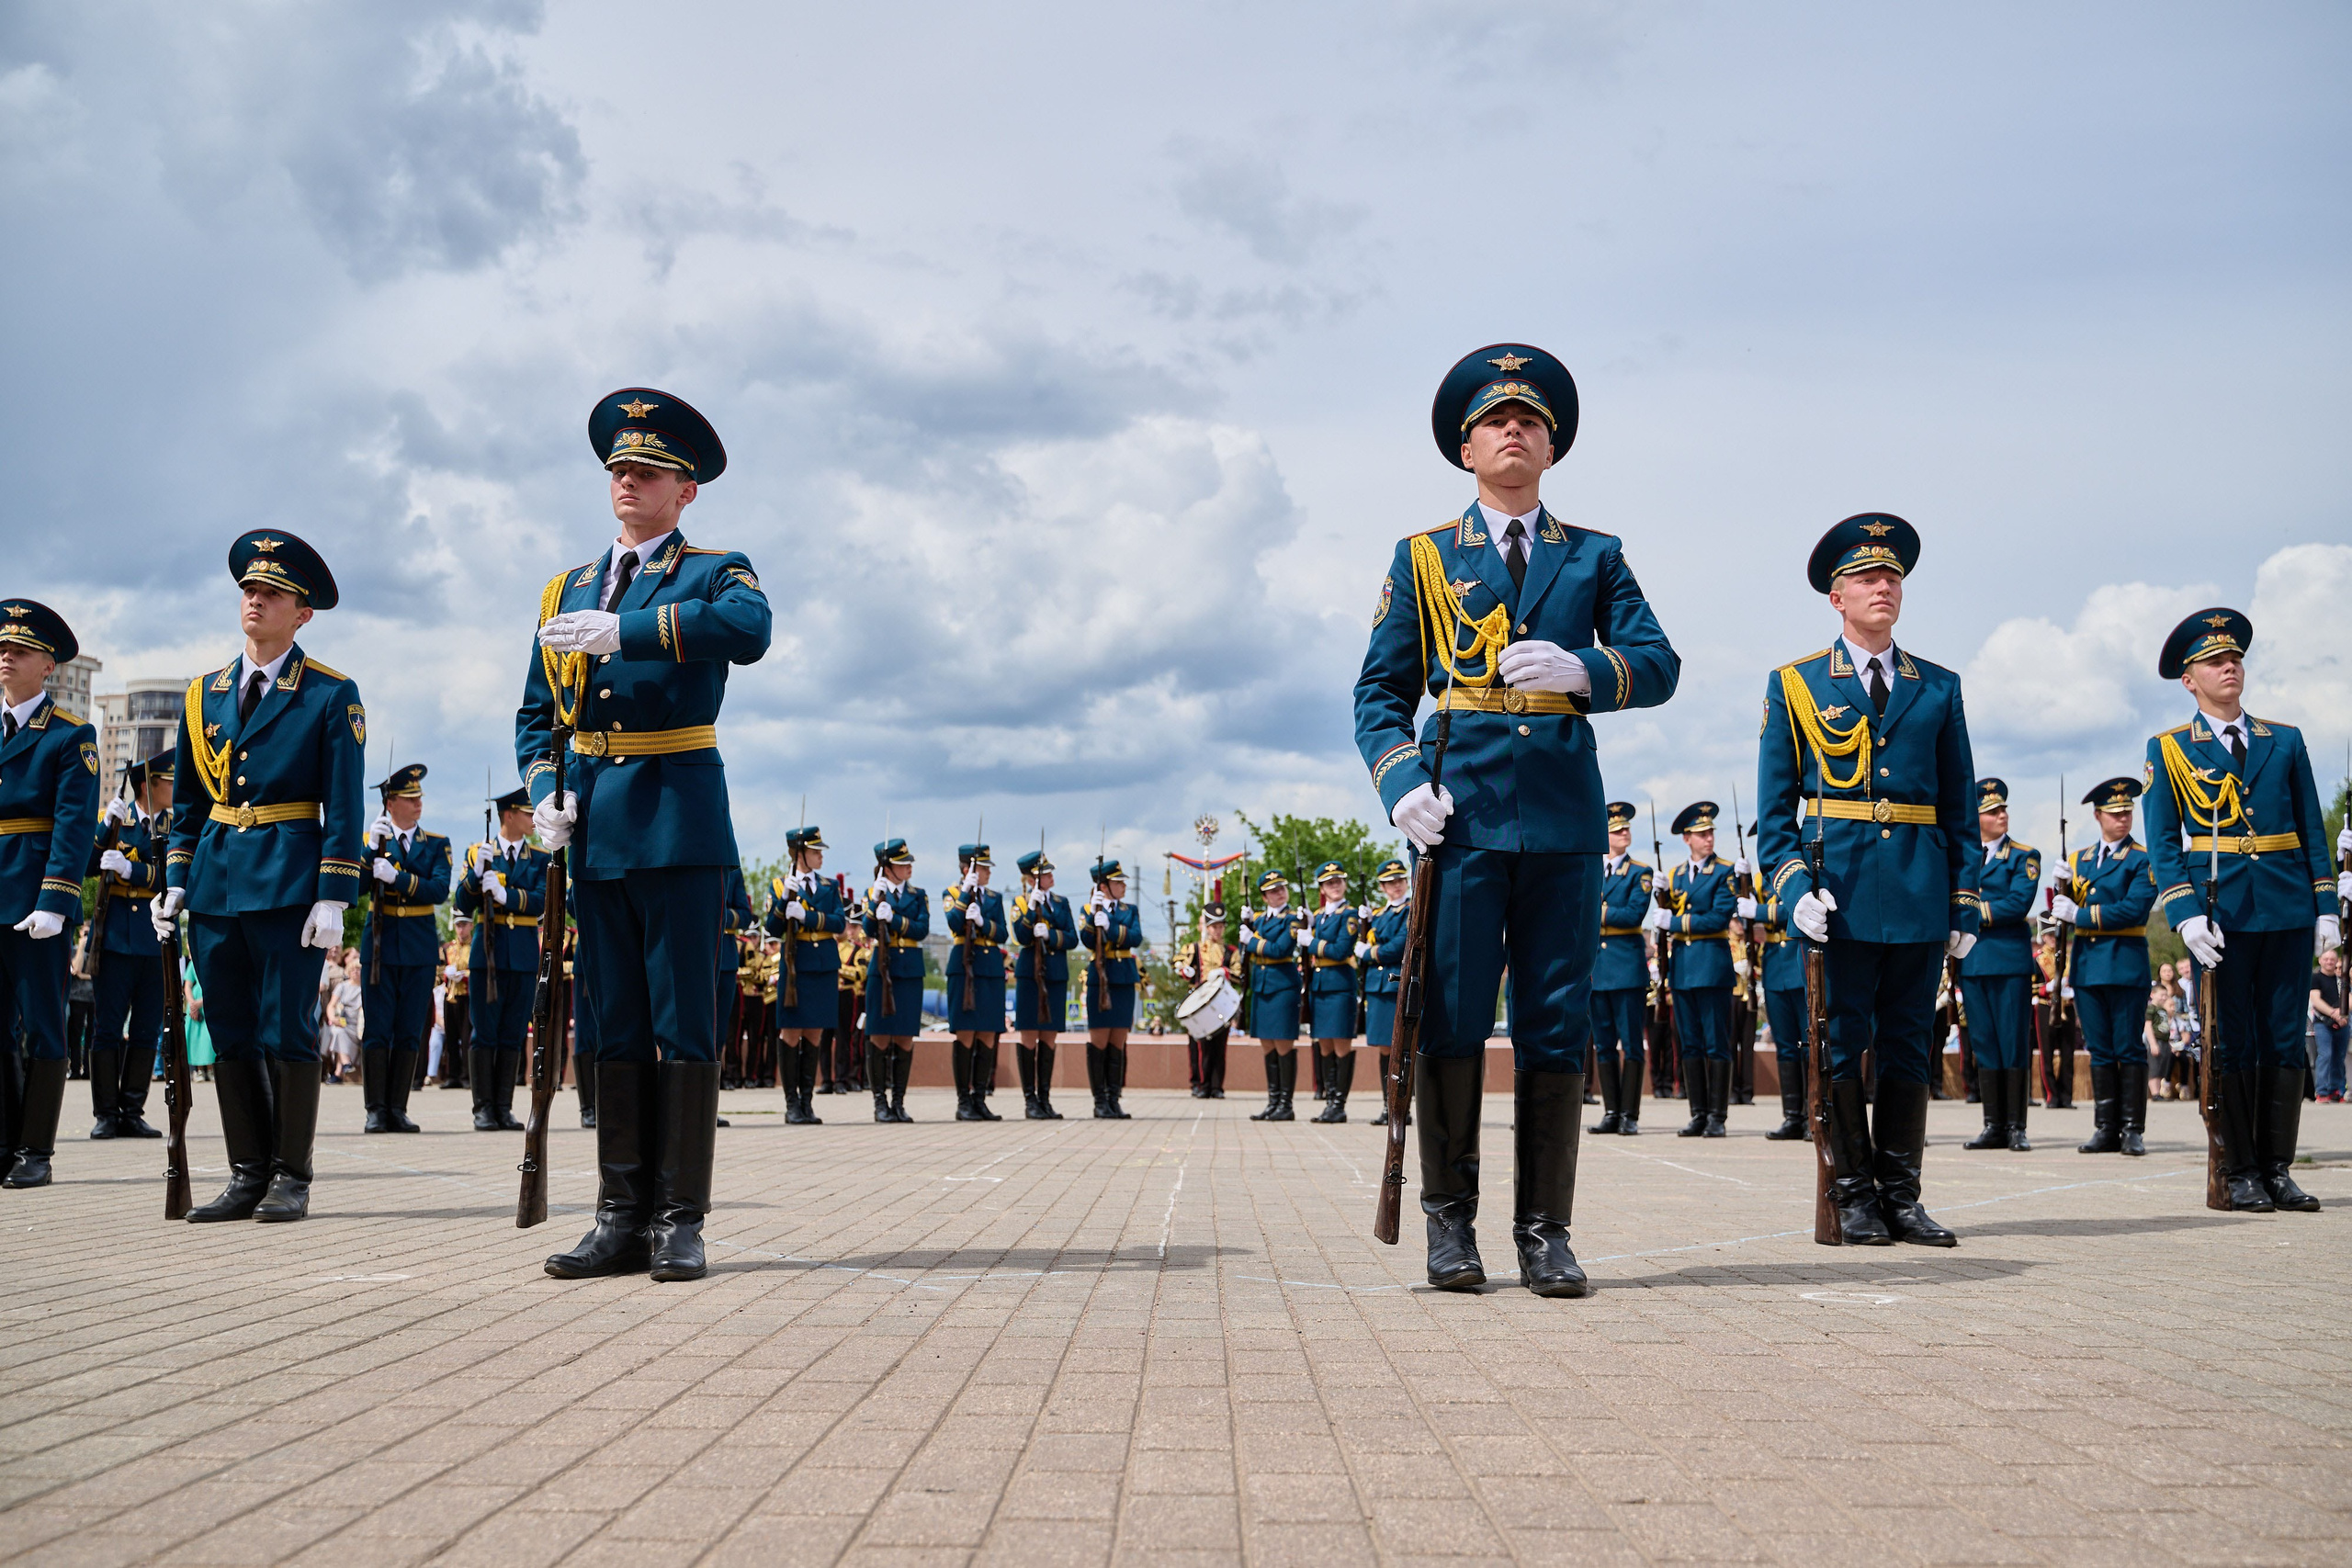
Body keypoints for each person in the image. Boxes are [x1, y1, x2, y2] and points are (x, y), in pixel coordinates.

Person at [1354, 344, 1680, 1296]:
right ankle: (1448, 1228)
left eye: (1530, 422)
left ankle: (1545, 1232)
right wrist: (1399, 778)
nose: (1513, 431)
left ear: (1551, 448)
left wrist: (1589, 671)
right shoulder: (1421, 557)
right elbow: (1380, 689)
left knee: (1552, 1023)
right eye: (1495, 422)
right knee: (1451, 1021)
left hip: (1563, 820)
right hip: (1458, 816)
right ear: (1465, 450)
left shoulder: (1596, 555)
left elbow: (1657, 662)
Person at [524, 389, 772, 1282]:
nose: (628, 480)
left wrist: (626, 631)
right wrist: (547, 791)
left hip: (675, 818)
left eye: (648, 470)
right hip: (597, 831)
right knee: (613, 1026)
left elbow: (751, 631)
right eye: (619, 469)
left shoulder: (714, 571)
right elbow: (531, 716)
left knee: (683, 1026)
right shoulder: (565, 589)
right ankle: (619, 1216)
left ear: (686, 489)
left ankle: (679, 1218)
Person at [1755, 513, 1978, 1247]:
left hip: (1917, 891)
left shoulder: (1939, 687)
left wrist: (1965, 900)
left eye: (1892, 577)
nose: (1882, 586)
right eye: (1865, 578)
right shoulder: (1794, 684)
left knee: (1911, 1045)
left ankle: (1902, 1194)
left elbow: (1959, 803)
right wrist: (1793, 889)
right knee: (1843, 1044)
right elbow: (1774, 810)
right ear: (1836, 597)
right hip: (1838, 894)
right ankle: (1852, 1193)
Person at [153, 534, 366, 1221]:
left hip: (288, 882)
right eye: (249, 588)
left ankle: (290, 1174)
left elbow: (345, 801)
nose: (255, 598)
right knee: (232, 1030)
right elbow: (186, 803)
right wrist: (176, 879)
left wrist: (334, 893)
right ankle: (247, 1171)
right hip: (216, 883)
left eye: (272, 592)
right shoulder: (202, 694)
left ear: (302, 614)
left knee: (286, 1031)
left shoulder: (331, 694)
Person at [2143, 607, 2335, 1213]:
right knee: (2231, 1041)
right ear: (2189, 679)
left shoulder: (2286, 740)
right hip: (2218, 916)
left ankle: (2278, 1168)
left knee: (2283, 1039)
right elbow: (2164, 842)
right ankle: (2239, 1168)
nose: (2230, 667)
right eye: (2214, 661)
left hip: (2286, 906)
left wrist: (2325, 903)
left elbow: (2311, 827)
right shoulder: (2170, 749)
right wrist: (2185, 913)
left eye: (2235, 659)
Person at [0, 601, 100, 1187]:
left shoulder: (70, 737)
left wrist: (55, 901)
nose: (7, 657)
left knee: (43, 1026)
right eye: (2, 648)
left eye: (21, 650)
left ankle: (35, 1151)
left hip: (34, 902)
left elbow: (73, 826)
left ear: (50, 668)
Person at [2052, 777, 2157, 1154]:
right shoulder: (2080, 859)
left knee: (2127, 1048)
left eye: (2127, 812)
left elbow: (2134, 908)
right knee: (2099, 1049)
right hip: (2087, 968)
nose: (2123, 819)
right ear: (2098, 816)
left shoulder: (2143, 858)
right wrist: (2058, 889)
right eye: (2115, 813)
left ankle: (2132, 1129)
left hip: (2125, 965)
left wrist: (2079, 913)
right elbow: (2061, 912)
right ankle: (2105, 1127)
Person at [85, 749, 175, 1141]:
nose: (175, 788)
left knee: (145, 1031)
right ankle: (106, 1113)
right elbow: (87, 865)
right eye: (168, 782)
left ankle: (132, 1110)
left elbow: (172, 876)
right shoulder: (121, 823)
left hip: (156, 941)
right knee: (106, 1029)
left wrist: (132, 869)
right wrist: (106, 826)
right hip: (116, 938)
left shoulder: (173, 826)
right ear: (147, 786)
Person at [356, 763, 449, 1134]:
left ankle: (399, 1107)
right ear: (389, 803)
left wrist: (400, 878)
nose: (418, 804)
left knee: (411, 1029)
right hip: (379, 942)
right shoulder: (372, 839)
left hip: (418, 944)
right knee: (378, 1029)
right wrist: (366, 854)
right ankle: (376, 1109)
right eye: (410, 798)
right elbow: (356, 888)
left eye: (419, 797)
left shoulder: (437, 843)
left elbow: (439, 890)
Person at [453, 788, 547, 1133]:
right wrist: (475, 876)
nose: (533, 820)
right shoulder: (479, 852)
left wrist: (508, 895)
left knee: (511, 1033)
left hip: (521, 954)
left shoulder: (538, 857)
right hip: (487, 955)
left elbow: (542, 899)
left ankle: (504, 1107)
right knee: (484, 1033)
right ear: (509, 815)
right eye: (527, 813)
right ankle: (483, 1108)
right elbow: (464, 901)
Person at [1952, 779, 2039, 1154]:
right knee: (1985, 1045)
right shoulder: (1963, 856)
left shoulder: (2023, 855)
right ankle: (1993, 1124)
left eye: (2003, 809)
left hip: (2008, 962)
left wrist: (1972, 912)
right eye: (1992, 811)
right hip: (1973, 963)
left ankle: (2016, 1126)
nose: (2001, 815)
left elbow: (2017, 904)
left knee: (2013, 1044)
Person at [1645, 801, 1737, 1138]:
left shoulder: (1724, 871)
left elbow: (1718, 917)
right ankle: (1698, 1113)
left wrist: (1677, 920)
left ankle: (1717, 1116)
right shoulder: (1676, 875)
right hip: (1682, 969)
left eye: (1710, 832)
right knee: (1691, 1044)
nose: (1708, 838)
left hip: (1712, 967)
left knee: (1716, 1044)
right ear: (1687, 838)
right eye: (1701, 834)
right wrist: (1662, 898)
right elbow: (1666, 918)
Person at [767, 826, 847, 1122]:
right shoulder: (779, 885)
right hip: (796, 963)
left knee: (815, 1032)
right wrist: (783, 902)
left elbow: (839, 923)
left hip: (823, 964)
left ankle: (807, 1102)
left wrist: (808, 916)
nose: (820, 856)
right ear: (799, 854)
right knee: (790, 1032)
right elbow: (772, 929)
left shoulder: (829, 886)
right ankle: (791, 1105)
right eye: (815, 852)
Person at [1586, 804, 1651, 1137]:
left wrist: (1597, 912)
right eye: (1616, 830)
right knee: (1605, 1045)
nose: (1624, 833)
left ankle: (1630, 1113)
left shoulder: (1641, 872)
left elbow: (1633, 916)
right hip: (1598, 969)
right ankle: (1611, 1111)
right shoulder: (1591, 869)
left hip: (1627, 969)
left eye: (1626, 829)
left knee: (1632, 1045)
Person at [862, 839, 926, 1123]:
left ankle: (899, 1102)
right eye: (902, 863)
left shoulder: (918, 894)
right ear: (887, 868)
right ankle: (880, 1102)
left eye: (908, 862)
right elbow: (867, 928)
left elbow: (922, 928)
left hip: (909, 969)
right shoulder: (873, 892)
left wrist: (897, 921)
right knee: (879, 1034)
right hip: (883, 968)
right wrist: (875, 904)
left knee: (904, 1036)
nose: (908, 866)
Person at [945, 843, 1011, 1122]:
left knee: (987, 1034)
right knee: (966, 1033)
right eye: (982, 868)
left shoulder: (994, 898)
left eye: (986, 868)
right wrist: (963, 895)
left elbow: (1003, 933)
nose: (987, 872)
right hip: (964, 964)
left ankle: (980, 1099)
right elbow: (953, 922)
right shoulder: (951, 893)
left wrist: (984, 922)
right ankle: (963, 1102)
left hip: (990, 969)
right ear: (967, 869)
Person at [1012, 848, 1077, 1117]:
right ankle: (1030, 1101)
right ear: (1031, 879)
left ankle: (1045, 1098)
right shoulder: (1021, 901)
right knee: (1029, 1034)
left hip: (1055, 974)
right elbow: (1019, 935)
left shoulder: (1061, 903)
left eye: (1049, 872)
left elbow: (1072, 938)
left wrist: (1051, 935)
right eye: (1044, 873)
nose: (1050, 876)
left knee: (1049, 1037)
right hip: (1030, 974)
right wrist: (1031, 910)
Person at [1751, 863, 1812, 1140]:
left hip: (1800, 964)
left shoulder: (1802, 871)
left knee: (1810, 1046)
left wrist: (1760, 912)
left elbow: (1797, 909)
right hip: (1774, 967)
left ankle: (1816, 1116)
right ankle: (1793, 1117)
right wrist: (1744, 910)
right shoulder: (1757, 878)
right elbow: (1744, 919)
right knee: (1785, 1047)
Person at [1080, 859, 1143, 1119]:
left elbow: (1136, 937)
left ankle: (1114, 1099)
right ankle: (1100, 1101)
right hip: (1101, 976)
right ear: (1104, 887)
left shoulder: (1130, 910)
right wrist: (1095, 918)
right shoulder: (1089, 909)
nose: (1124, 885)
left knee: (1119, 1041)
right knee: (1099, 1042)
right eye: (1118, 882)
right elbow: (1085, 939)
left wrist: (1111, 927)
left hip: (1124, 978)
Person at [1303, 862, 1363, 1122]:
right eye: (1329, 883)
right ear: (1322, 888)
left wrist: (1312, 942)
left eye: (1338, 881)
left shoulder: (1349, 915)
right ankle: (1329, 1102)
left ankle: (1339, 1105)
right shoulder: (1319, 916)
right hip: (1320, 986)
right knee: (1324, 1045)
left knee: (1341, 1045)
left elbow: (1340, 951)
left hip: (1340, 986)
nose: (1335, 886)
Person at [1240, 870, 1303, 1121]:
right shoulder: (1260, 920)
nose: (1279, 893)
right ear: (1264, 897)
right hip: (1263, 987)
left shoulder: (1293, 919)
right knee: (1267, 1044)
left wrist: (1252, 939)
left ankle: (1286, 1104)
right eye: (1273, 891)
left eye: (1281, 889)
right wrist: (1246, 924)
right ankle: (1273, 1101)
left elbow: (1280, 949)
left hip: (1283, 987)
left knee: (1283, 1044)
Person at [1176, 897, 1239, 1103]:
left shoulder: (1231, 951)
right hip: (1199, 1003)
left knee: (1220, 1047)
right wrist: (1185, 970)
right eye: (1213, 927)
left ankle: (1216, 1086)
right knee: (1199, 1046)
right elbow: (1178, 963)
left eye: (1220, 926)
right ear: (1206, 927)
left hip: (1221, 1003)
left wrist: (1226, 972)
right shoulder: (1194, 948)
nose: (1217, 931)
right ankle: (1200, 1084)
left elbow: (1241, 975)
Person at [2313, 948, 2346, 1102]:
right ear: (2320, 960)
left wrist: (2343, 1013)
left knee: (2339, 1057)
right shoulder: (2315, 978)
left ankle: (2336, 1090)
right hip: (2322, 1023)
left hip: (2343, 1023)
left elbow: (2349, 998)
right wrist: (2334, 1013)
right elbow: (2316, 1000)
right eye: (2326, 959)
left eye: (2332, 959)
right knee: (2325, 1055)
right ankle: (2321, 1091)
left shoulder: (2342, 980)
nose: (2329, 962)